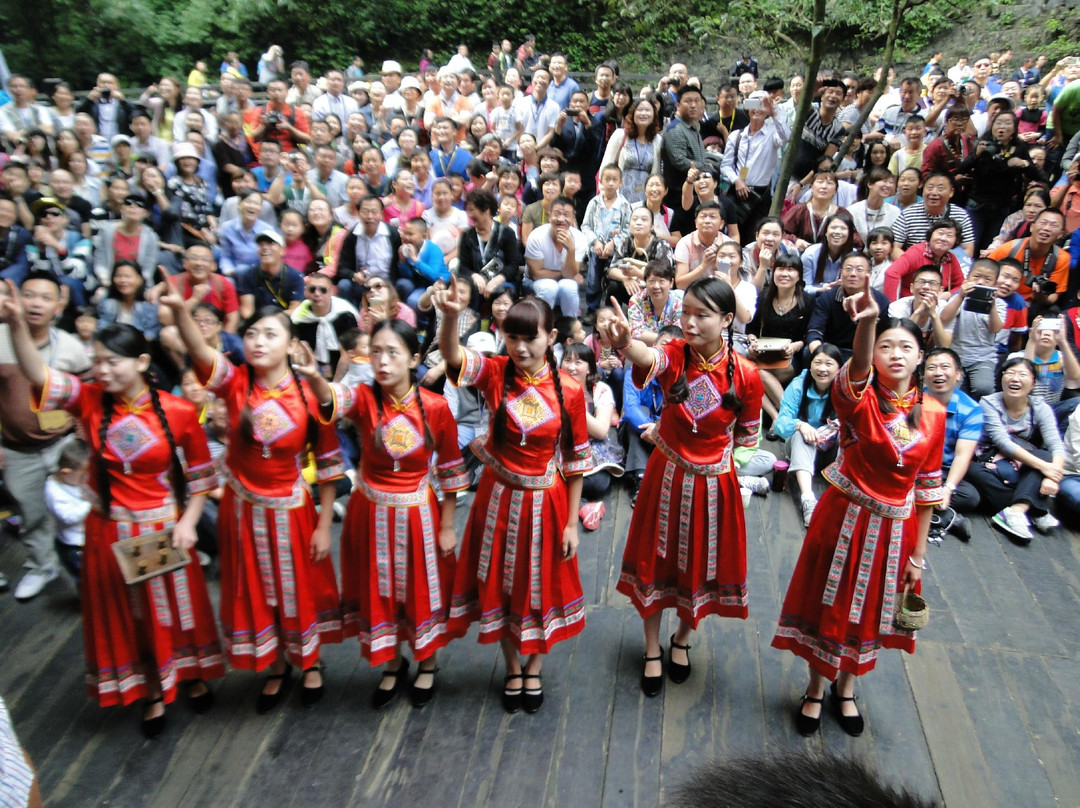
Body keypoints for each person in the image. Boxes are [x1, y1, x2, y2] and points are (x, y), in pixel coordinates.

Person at [2, 304, 225, 737]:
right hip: (109, 529)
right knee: (132, 613)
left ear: (142, 362)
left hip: (161, 527)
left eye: (112, 361)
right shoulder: (88, 399)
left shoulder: (178, 411)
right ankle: (153, 690)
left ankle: (190, 674)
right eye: (97, 360)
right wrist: (15, 326)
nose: (101, 370)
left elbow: (201, 476)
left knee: (172, 610)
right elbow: (38, 376)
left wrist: (188, 522)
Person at [773, 278, 946, 737]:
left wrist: (917, 557)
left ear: (920, 357)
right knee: (826, 604)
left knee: (870, 608)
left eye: (905, 346)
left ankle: (846, 688)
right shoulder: (858, 399)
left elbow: (927, 491)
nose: (894, 353)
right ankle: (815, 688)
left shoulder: (935, 415)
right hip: (843, 518)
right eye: (885, 345)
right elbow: (860, 367)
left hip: (896, 530)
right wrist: (868, 321)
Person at [159, 291, 346, 711]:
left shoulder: (310, 394)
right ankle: (276, 665)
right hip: (241, 508)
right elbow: (196, 348)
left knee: (298, 588)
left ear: (291, 344)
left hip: (292, 509)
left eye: (270, 334)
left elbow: (331, 462)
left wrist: (321, 526)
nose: (259, 342)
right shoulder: (234, 381)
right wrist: (179, 311)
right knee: (256, 588)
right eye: (251, 334)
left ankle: (309, 661)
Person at [598, 277, 763, 698]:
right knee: (655, 562)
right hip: (666, 476)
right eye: (685, 312)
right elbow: (648, 356)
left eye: (701, 315)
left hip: (714, 486)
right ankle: (652, 647)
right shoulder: (676, 354)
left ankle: (683, 640)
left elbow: (747, 438)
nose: (689, 322)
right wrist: (623, 343)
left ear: (727, 319)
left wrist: (726, 464)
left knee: (702, 569)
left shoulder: (747, 375)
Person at [432, 289, 592, 714]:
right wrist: (451, 318)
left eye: (531, 338)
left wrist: (572, 523)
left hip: (548, 504)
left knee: (542, 587)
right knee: (501, 585)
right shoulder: (496, 372)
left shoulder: (572, 391)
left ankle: (534, 666)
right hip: (497, 499)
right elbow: (452, 357)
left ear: (552, 337)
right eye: (511, 336)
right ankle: (512, 666)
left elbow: (575, 462)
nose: (520, 347)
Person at [294, 319, 467, 708]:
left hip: (420, 515)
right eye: (375, 352)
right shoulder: (363, 398)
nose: (383, 362)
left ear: (414, 358)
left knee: (421, 590)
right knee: (379, 590)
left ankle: (427, 663)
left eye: (393, 352)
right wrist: (313, 377)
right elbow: (330, 398)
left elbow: (453, 469)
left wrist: (448, 524)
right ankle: (391, 665)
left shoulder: (437, 407)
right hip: (369, 514)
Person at [0, 272, 92, 600]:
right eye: (29, 295)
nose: (36, 303)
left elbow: (85, 399)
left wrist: (84, 445)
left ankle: (89, 566)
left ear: (58, 305)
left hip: (63, 444)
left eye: (45, 297)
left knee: (79, 504)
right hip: (14, 447)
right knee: (31, 510)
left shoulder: (71, 347)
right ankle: (42, 565)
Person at [968, 356, 1064, 543]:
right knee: (971, 470)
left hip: (1022, 464)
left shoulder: (1039, 407)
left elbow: (1056, 443)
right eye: (1010, 373)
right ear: (1001, 377)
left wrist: (1053, 475)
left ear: (1033, 383)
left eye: (1022, 374)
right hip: (989, 463)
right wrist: (1043, 468)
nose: (1015, 378)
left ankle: (1016, 511)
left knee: (1046, 455)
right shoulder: (988, 403)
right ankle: (1034, 508)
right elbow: (1002, 442)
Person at [773, 343, 844, 525]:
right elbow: (780, 425)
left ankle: (842, 496)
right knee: (800, 435)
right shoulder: (799, 385)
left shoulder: (844, 389)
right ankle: (808, 500)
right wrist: (800, 425)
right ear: (810, 365)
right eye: (817, 363)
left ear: (839, 368)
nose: (822, 368)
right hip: (801, 449)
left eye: (829, 364)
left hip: (832, 452)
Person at [922, 347, 983, 521]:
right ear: (924, 376)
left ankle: (927, 508)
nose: (938, 373)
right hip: (913, 469)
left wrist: (948, 488)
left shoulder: (971, 409)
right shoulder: (913, 401)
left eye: (945, 367)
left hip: (942, 473)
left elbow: (962, 455)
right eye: (931, 368)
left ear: (958, 374)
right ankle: (945, 518)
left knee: (970, 497)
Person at [720, 91, 789, 241]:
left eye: (762, 104)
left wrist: (774, 112)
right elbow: (726, 165)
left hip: (760, 195)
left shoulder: (772, 134)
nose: (758, 109)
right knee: (732, 236)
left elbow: (785, 137)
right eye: (754, 103)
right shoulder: (737, 135)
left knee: (754, 237)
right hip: (737, 193)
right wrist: (737, 180)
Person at [524, 196, 587, 318]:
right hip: (533, 283)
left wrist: (571, 250)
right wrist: (564, 274)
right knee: (549, 286)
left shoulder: (579, 239)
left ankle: (570, 327)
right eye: (557, 214)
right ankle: (542, 326)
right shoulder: (536, 236)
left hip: (562, 282)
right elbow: (536, 274)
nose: (561, 219)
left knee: (569, 286)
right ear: (549, 215)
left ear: (573, 218)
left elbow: (570, 276)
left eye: (566, 215)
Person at [43, 438, 91, 581]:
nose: (86, 479)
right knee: (83, 577)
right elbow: (68, 516)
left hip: (84, 538)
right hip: (73, 544)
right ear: (65, 472)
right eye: (83, 476)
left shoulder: (71, 481)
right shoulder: (53, 491)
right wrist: (91, 502)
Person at [601, 98, 663, 205]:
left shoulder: (657, 140)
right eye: (639, 110)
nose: (643, 113)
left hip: (645, 197)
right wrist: (604, 194)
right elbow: (606, 166)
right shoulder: (620, 135)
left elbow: (656, 173)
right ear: (633, 114)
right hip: (619, 194)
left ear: (654, 115)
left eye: (647, 110)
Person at [235, 231, 305, 319]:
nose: (264, 247)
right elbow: (247, 310)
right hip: (258, 323)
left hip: (285, 323)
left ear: (282, 250)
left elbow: (295, 310)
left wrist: (269, 321)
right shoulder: (249, 275)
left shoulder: (295, 276)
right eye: (261, 245)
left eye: (271, 243)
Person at [661, 85, 707, 209]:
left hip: (694, 191)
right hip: (678, 195)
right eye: (688, 101)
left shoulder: (694, 127)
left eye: (696, 101)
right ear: (678, 105)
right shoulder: (675, 130)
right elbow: (680, 161)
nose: (693, 105)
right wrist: (705, 167)